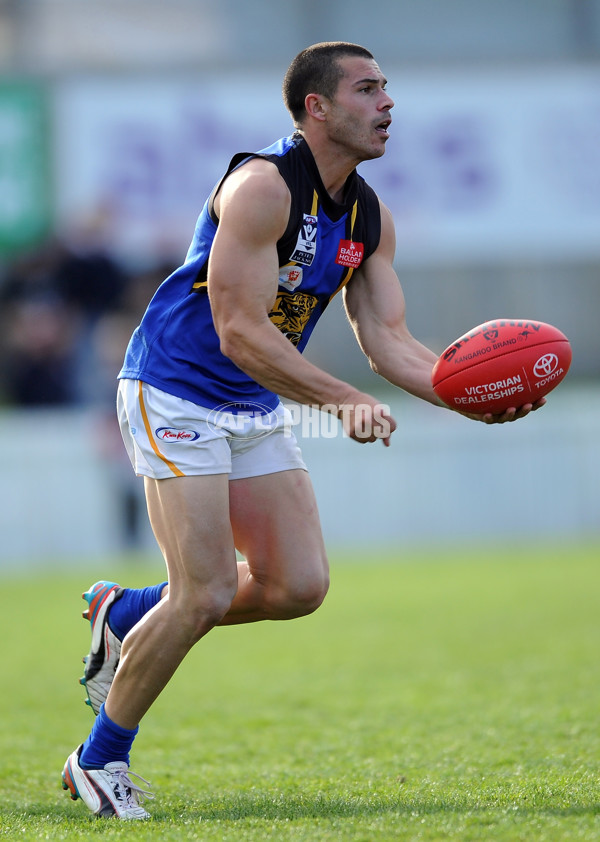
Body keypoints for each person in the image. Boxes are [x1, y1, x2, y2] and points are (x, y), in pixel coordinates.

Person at [61, 42, 544, 820]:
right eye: (367, 89)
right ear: (317, 107)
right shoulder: (260, 188)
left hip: (250, 403)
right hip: (174, 390)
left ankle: (125, 611)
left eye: (388, 87)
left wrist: (471, 396)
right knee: (209, 589)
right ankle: (99, 759)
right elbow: (238, 330)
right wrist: (338, 401)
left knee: (297, 586)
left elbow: (389, 338)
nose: (388, 102)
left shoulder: (367, 214)